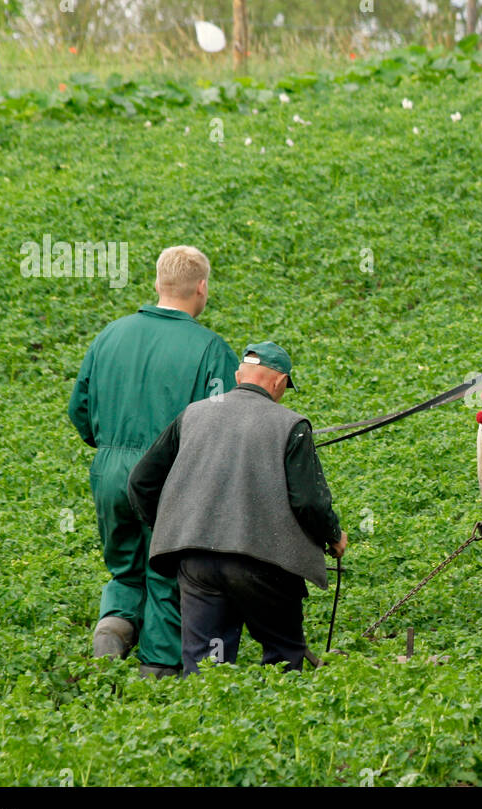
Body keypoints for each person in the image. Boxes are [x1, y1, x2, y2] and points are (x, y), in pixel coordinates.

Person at [126, 342, 348, 676]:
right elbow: (309, 502)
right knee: (284, 653)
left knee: (207, 666)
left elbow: (141, 482)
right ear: (279, 382)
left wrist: (173, 527)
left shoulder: (194, 414)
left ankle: (205, 719)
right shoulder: (292, 425)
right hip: (264, 565)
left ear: (238, 375)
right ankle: (284, 718)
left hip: (198, 561)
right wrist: (333, 536)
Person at [68, 246, 239, 677]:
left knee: (125, 567)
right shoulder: (210, 348)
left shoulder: (110, 335)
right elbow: (221, 425)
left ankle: (115, 624)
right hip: (169, 479)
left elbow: (80, 410)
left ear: (158, 283)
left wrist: (109, 447)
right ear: (201, 287)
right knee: (167, 574)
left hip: (109, 471)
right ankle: (158, 675)